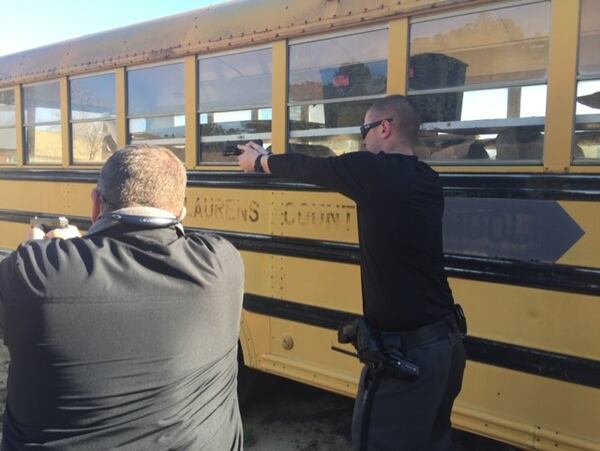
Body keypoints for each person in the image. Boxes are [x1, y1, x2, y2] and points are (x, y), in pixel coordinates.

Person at [238, 95, 466, 451]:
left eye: (365, 130)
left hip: (408, 355)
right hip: (446, 348)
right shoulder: (427, 179)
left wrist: (260, 160)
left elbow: (309, 168)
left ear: (385, 128)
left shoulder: (373, 171)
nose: (363, 140)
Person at [0, 145, 244, 450]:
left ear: (95, 204)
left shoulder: (34, 272)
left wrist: (41, 252)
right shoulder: (223, 264)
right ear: (181, 211)